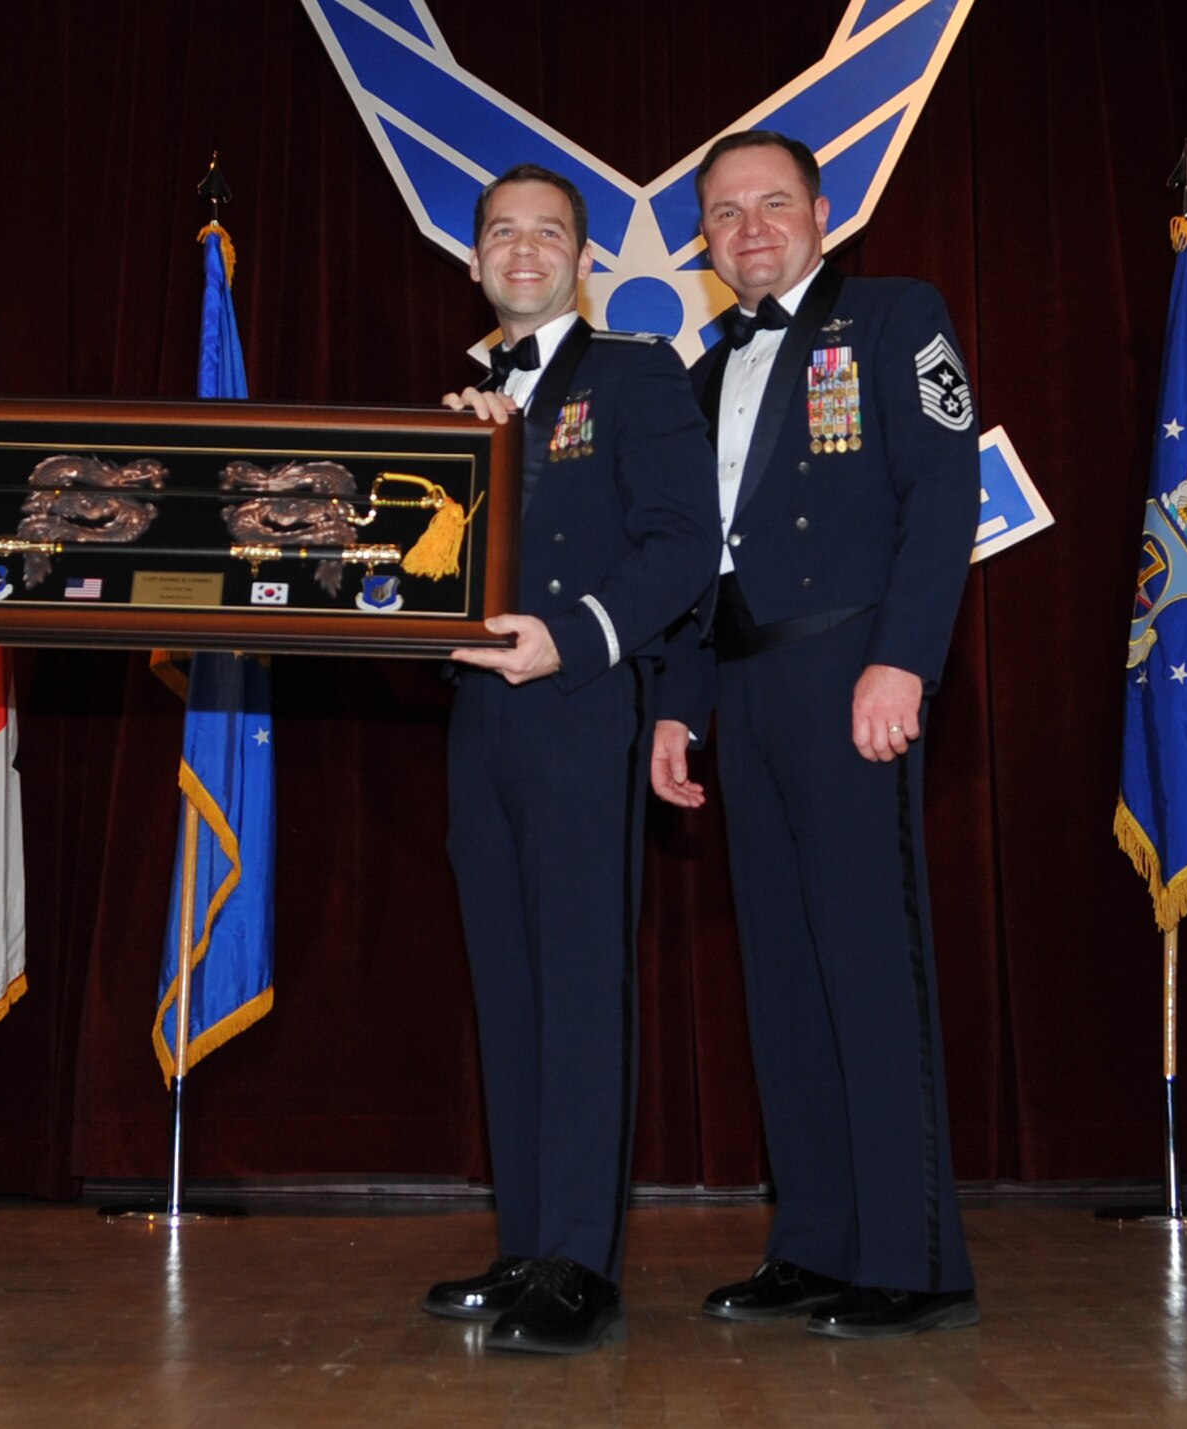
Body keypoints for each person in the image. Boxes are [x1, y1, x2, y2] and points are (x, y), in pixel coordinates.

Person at [651, 130, 981, 1339]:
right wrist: (680, 705)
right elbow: (690, 566)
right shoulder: (699, 372)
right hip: (743, 688)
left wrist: (903, 655)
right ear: (701, 240)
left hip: (853, 669)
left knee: (864, 964)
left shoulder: (897, 316)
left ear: (821, 211)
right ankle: (813, 1243)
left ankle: (910, 1255)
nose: (748, 229)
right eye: (723, 214)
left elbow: (943, 492)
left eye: (770, 204)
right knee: (780, 975)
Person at [422, 164, 720, 1355]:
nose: (524, 250)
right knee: (506, 981)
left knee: (582, 987)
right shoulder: (457, 402)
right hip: (476, 721)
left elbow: (682, 544)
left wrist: (578, 640)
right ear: (476, 258)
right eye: (503, 233)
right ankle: (527, 1240)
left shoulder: (635, 373)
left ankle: (581, 1264)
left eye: (548, 233)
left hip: (584, 703)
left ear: (582, 260)